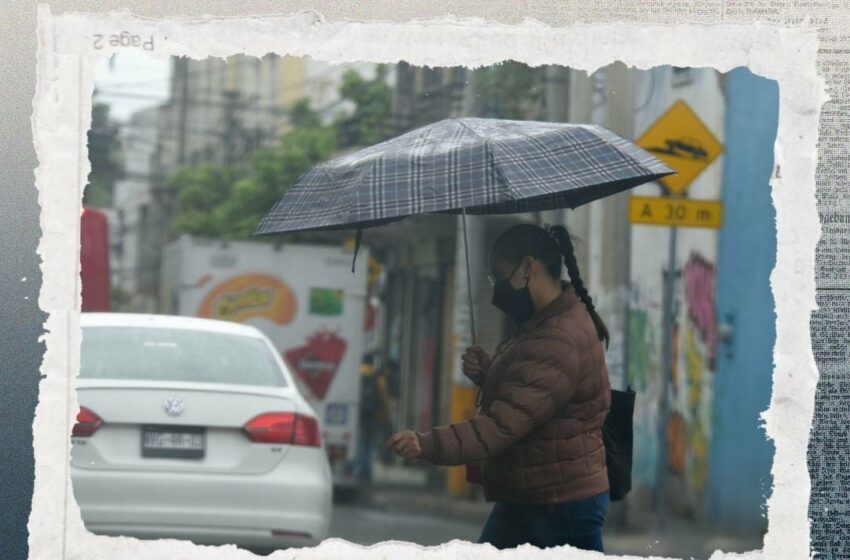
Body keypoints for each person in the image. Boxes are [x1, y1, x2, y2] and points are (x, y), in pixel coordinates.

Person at [385, 223, 612, 551]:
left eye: (499, 277)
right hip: (534, 492)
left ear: (528, 269)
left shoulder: (556, 337)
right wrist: (491, 373)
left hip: (560, 503)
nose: (496, 289)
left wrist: (425, 444)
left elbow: (501, 426)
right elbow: (535, 393)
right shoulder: (548, 321)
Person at [354, 356, 393, 483]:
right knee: (370, 443)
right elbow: (384, 398)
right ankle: (367, 471)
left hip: (359, 415)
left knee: (360, 442)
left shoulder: (357, 374)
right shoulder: (378, 378)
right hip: (373, 416)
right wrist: (386, 417)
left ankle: (359, 470)